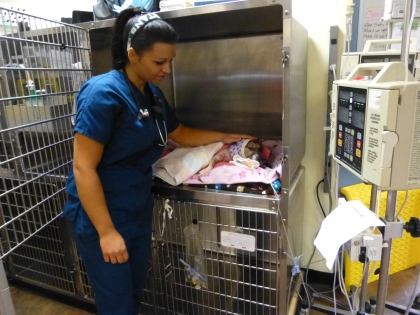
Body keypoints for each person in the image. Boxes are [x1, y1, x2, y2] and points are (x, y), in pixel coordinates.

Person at [63, 6, 253, 315]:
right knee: (117, 305)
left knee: (133, 293)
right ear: (132, 54)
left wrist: (225, 137)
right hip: (101, 216)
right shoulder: (102, 94)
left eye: (170, 62)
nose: (166, 69)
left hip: (135, 210)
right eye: (159, 62)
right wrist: (107, 233)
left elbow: (181, 132)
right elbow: (83, 168)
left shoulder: (152, 94)